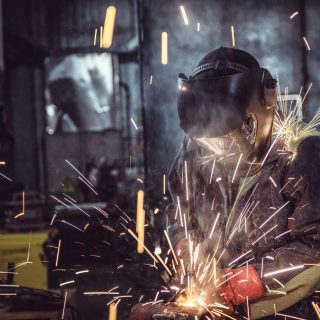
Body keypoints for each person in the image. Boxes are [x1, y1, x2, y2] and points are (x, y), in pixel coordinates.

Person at [130, 47, 320, 319]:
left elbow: (314, 247)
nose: (220, 149)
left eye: (229, 136)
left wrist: (238, 284)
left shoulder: (302, 156)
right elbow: (180, 216)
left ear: (259, 111)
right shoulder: (192, 158)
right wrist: (186, 246)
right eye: (211, 140)